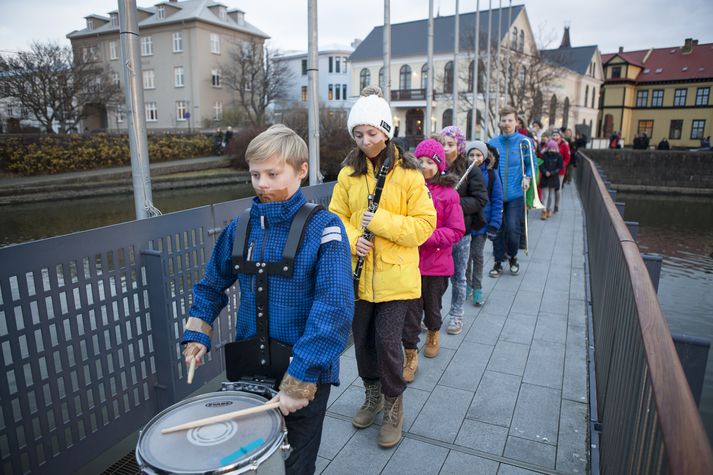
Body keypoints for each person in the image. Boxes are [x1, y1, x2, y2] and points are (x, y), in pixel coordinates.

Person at [181, 124, 354, 475]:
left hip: (305, 370)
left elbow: (334, 309)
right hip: (250, 369)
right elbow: (211, 284)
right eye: (255, 174)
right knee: (247, 460)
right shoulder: (238, 227)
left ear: (301, 170)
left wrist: (299, 378)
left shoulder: (326, 228)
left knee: (295, 463)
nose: (262, 183)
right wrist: (197, 333)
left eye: (273, 173)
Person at [329, 86, 436, 448]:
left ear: (386, 131)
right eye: (358, 134)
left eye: (371, 133)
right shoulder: (348, 174)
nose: (365, 140)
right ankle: (372, 397)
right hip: (358, 277)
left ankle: (394, 405)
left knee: (388, 341)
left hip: (396, 277)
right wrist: (352, 235)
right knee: (362, 342)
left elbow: (424, 226)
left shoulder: (409, 174)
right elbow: (335, 218)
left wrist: (379, 222)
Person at [401, 139, 464, 383]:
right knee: (410, 313)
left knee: (433, 307)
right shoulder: (409, 191)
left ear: (439, 165)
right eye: (420, 161)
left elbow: (456, 230)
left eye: (429, 162)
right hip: (411, 264)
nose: (424, 166)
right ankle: (410, 354)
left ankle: (434, 333)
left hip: (437, 266)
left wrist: (426, 235)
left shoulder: (448, 195)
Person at [440, 125, 488, 335]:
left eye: (450, 144)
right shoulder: (435, 166)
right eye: (442, 143)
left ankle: (456, 315)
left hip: (461, 231)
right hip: (438, 231)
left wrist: (454, 201)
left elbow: (480, 200)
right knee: (436, 277)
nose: (445, 148)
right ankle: (433, 314)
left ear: (459, 146)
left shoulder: (471, 169)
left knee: (459, 276)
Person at [488, 106, 532, 277]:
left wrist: (527, 177)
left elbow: (531, 164)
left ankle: (513, 256)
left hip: (516, 194)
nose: (506, 124)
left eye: (510, 120)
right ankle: (498, 262)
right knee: (497, 228)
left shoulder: (524, 142)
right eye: (504, 120)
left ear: (516, 122)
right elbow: (488, 167)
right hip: (497, 194)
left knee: (513, 229)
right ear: (500, 122)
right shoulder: (492, 143)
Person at [465, 141, 503, 306]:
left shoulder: (492, 175)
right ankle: (466, 284)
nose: (475, 158)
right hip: (465, 222)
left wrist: (494, 224)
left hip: (482, 223)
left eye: (478, 155)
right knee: (465, 257)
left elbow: (497, 201)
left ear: (485, 156)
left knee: (477, 255)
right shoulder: (463, 172)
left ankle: (478, 288)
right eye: (471, 155)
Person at [539, 139, 563, 220]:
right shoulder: (544, 155)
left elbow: (559, 167)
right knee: (545, 195)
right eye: (550, 148)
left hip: (554, 178)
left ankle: (549, 209)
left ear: (556, 148)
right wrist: (545, 172)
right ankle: (544, 210)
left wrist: (552, 173)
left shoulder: (559, 156)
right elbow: (541, 165)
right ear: (548, 148)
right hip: (545, 178)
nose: (552, 150)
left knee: (551, 195)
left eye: (554, 148)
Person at [550, 128, 571, 213]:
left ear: (560, 136)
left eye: (557, 135)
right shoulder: (549, 143)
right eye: (553, 135)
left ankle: (556, 205)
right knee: (550, 189)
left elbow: (567, 157)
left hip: (560, 171)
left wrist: (562, 165)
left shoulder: (564, 144)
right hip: (550, 169)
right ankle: (549, 207)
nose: (555, 137)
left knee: (557, 189)